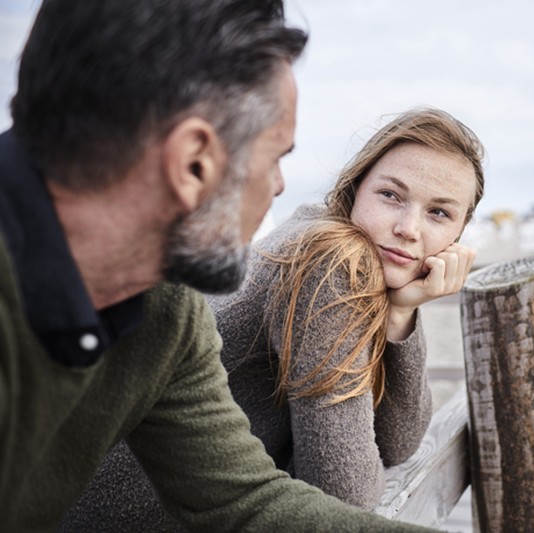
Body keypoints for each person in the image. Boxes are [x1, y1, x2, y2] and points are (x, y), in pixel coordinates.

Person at [0, 0, 436, 531]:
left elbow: (240, 499)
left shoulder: (164, 307)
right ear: (193, 163)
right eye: (275, 157)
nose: (279, 186)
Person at [60, 107, 486, 528]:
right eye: (390, 195)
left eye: (439, 213)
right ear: (356, 188)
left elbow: (398, 443)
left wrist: (401, 313)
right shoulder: (329, 261)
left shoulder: (342, 250)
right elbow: (344, 495)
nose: (408, 228)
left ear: (458, 236)